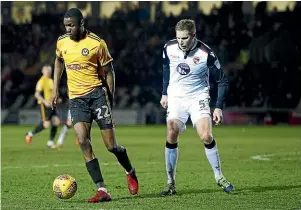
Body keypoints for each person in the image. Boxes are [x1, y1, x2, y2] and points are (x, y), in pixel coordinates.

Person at [50, 8, 138, 203]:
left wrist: (110, 97)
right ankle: (102, 189)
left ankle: (130, 170)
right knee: (82, 140)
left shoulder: (97, 43)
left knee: (111, 146)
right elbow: (58, 62)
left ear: (82, 23)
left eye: (72, 25)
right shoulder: (61, 42)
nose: (68, 29)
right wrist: (55, 89)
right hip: (76, 99)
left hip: (97, 95)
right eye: (66, 25)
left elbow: (109, 71)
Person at [159, 19, 233, 196]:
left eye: (184, 38)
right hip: (176, 96)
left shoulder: (207, 54)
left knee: (206, 135)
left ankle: (219, 176)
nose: (180, 42)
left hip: (197, 96)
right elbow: (166, 69)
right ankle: (170, 183)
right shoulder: (168, 48)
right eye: (178, 38)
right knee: (172, 130)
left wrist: (218, 107)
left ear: (193, 36)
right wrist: (164, 93)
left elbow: (222, 80)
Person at [25, 64, 60, 149]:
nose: (48, 72)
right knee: (46, 124)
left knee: (56, 122)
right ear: (43, 71)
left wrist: (57, 99)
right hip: (44, 105)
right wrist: (44, 102)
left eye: (49, 71)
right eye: (47, 71)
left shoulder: (51, 80)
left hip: (52, 105)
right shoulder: (41, 81)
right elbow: (37, 94)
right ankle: (29, 134)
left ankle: (50, 143)